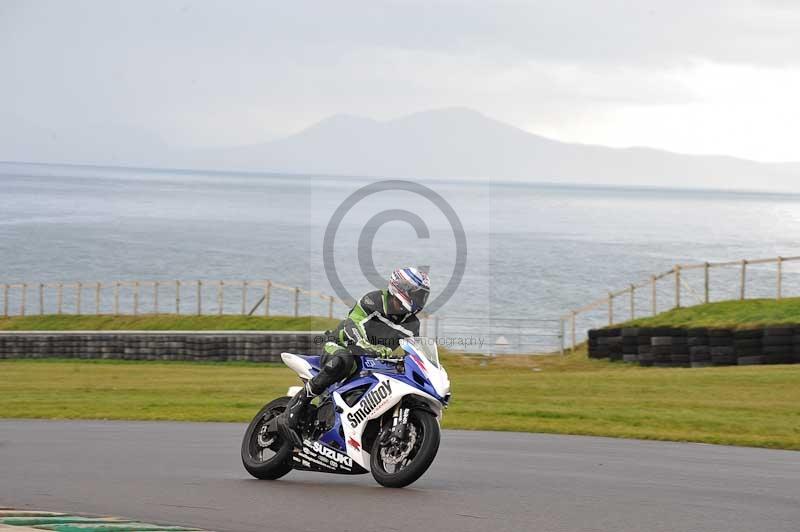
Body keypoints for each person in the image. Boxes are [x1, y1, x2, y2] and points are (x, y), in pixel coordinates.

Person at [277, 267, 430, 445]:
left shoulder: (412, 324)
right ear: (402, 288)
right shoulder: (373, 300)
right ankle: (297, 405)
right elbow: (352, 323)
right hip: (340, 345)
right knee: (343, 361)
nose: (420, 300)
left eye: (423, 296)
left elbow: (413, 350)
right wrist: (365, 345)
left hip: (371, 361)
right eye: (418, 294)